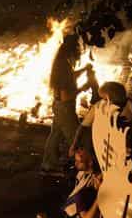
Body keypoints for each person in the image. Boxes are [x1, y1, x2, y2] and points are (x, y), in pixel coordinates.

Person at [41, 35, 97, 176]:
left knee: (55, 135)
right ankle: (84, 168)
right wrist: (84, 87)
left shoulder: (62, 63)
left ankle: (48, 166)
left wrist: (83, 70)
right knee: (75, 137)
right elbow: (67, 95)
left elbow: (70, 77)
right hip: (65, 108)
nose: (79, 51)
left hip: (60, 106)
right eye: (77, 48)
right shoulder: (63, 66)